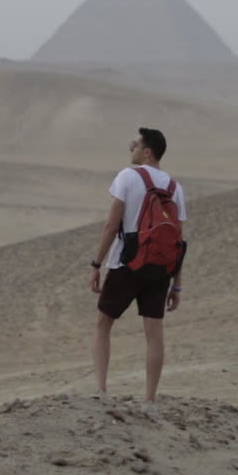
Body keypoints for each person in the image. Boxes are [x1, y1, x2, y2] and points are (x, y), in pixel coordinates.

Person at [88, 127, 187, 406]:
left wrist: (96, 264)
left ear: (148, 151)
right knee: (154, 332)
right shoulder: (175, 187)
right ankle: (149, 399)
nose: (131, 145)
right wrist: (176, 284)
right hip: (160, 268)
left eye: (137, 143)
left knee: (103, 323)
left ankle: (101, 391)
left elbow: (111, 225)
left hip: (127, 262)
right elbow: (179, 240)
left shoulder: (128, 177)